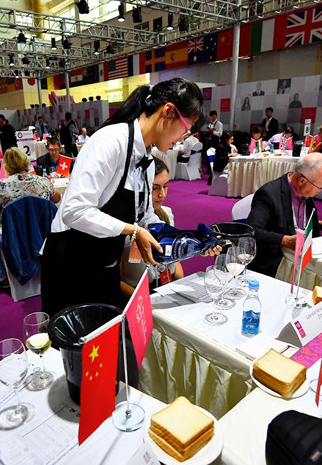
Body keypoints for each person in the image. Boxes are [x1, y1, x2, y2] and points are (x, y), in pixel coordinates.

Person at [40, 78, 203, 316]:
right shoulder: (110, 141)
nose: (183, 138)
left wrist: (192, 241)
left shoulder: (147, 160)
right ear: (167, 111)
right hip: (70, 260)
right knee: (74, 336)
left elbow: (144, 216)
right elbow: (74, 211)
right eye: (186, 128)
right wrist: (132, 230)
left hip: (106, 261)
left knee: (105, 329)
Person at [246, 153, 322, 277]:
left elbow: (290, 219)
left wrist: (319, 224)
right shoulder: (268, 194)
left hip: (303, 256)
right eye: (321, 185)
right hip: (276, 261)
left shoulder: (306, 189)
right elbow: (252, 231)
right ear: (302, 180)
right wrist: (284, 240)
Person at [0, 148, 61, 287]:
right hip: (42, 234)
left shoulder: (2, 184)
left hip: (15, 236)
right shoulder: (43, 181)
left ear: (7, 165)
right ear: (26, 162)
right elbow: (56, 199)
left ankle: (1, 277)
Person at [120, 159, 183, 296]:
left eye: (165, 186)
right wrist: (146, 303)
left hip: (166, 286)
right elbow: (117, 280)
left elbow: (175, 261)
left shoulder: (166, 214)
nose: (162, 194)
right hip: (135, 294)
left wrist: (179, 289)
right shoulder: (122, 224)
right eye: (155, 188)